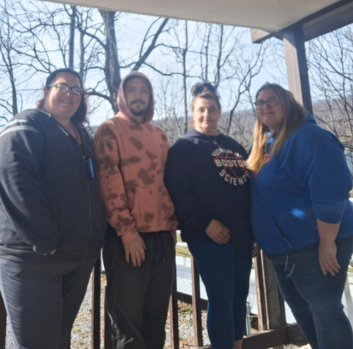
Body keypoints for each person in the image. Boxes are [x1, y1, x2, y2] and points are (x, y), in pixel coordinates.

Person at [0, 68, 106, 349]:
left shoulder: (82, 134)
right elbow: (15, 179)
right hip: (33, 260)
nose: (70, 94)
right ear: (47, 91)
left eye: (76, 90)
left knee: (59, 341)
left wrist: (93, 241)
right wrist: (44, 239)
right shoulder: (26, 125)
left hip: (75, 259)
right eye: (63, 86)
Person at [247, 82, 353, 349]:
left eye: (273, 100)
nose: (266, 106)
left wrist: (327, 242)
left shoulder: (308, 137)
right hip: (284, 251)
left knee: (325, 312)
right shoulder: (269, 143)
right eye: (260, 102)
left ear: (288, 103)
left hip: (314, 244)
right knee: (308, 315)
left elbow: (330, 190)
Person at [165, 82, 254, 349]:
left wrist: (254, 231)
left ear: (219, 112)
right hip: (208, 238)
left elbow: (250, 189)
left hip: (241, 235)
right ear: (193, 112)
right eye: (201, 109)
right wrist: (206, 223)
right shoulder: (183, 148)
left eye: (212, 109)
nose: (207, 114)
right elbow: (178, 193)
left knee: (239, 297)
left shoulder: (234, 146)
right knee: (221, 297)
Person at [94, 71, 178, 349]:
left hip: (162, 239)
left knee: (156, 323)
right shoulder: (109, 129)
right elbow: (108, 182)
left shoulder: (160, 135)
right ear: (122, 95)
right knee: (127, 329)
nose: (139, 95)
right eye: (132, 90)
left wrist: (172, 225)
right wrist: (128, 232)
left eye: (144, 90)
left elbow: (169, 182)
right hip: (128, 238)